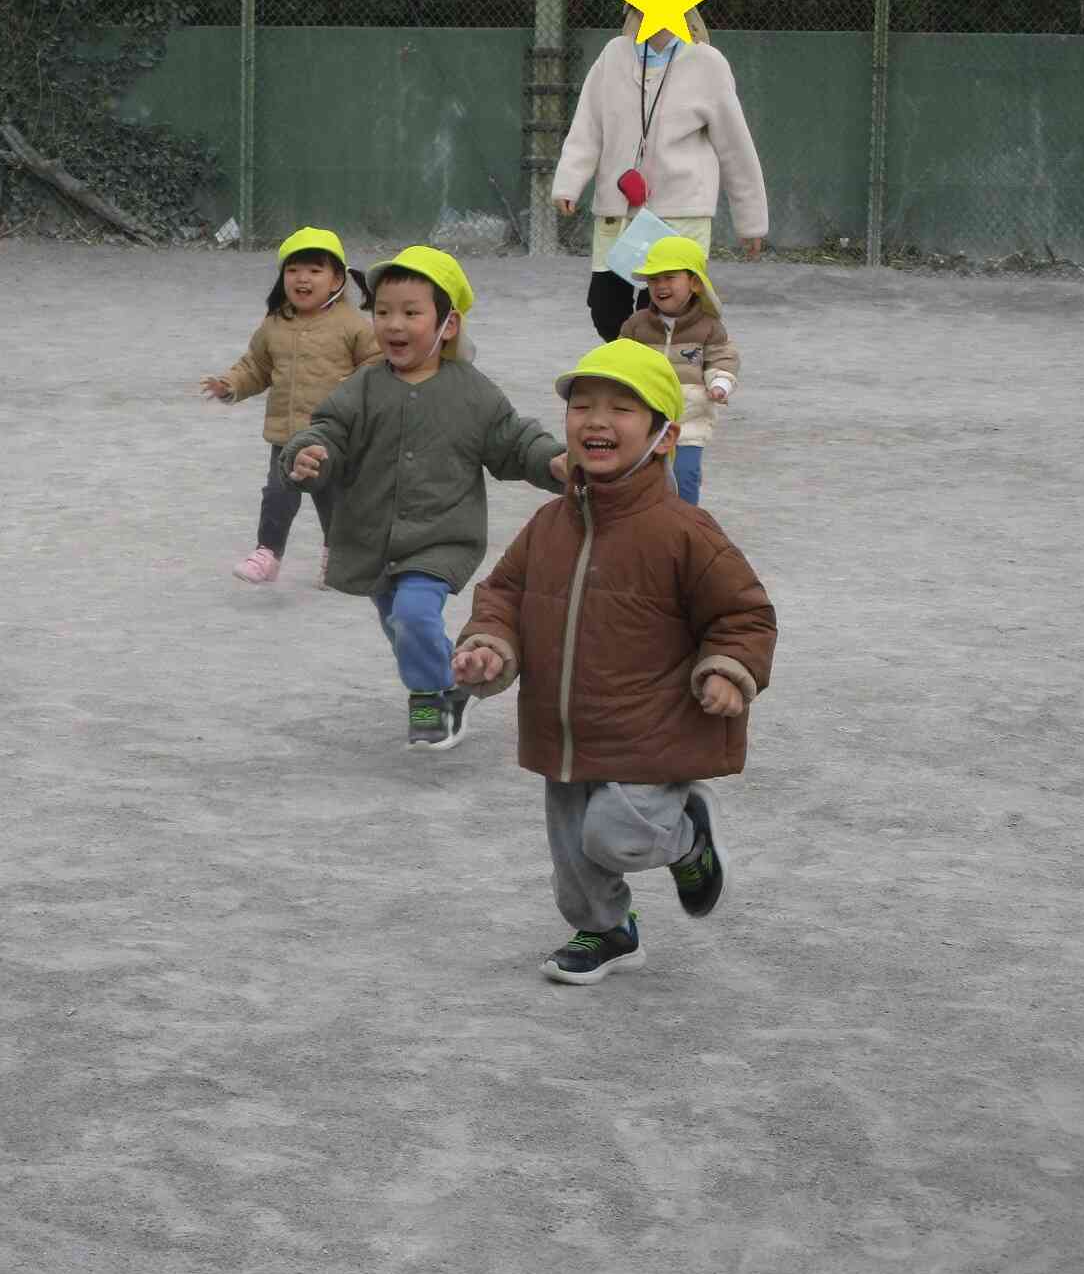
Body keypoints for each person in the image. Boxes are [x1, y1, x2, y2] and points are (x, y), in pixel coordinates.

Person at [450, 342, 776, 985]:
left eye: (623, 408)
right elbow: (504, 595)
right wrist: (490, 643)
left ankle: (687, 836)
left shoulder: (684, 531)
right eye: (582, 406)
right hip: (564, 727)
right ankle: (608, 932)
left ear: (663, 435)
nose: (597, 420)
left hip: (654, 728)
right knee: (573, 859)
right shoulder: (548, 524)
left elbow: (744, 615)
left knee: (616, 837)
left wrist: (728, 668)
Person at [280, 246, 567, 749]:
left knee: (414, 614)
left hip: (441, 537)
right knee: (401, 625)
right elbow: (328, 430)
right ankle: (445, 680)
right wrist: (308, 453)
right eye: (383, 311)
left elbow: (514, 441)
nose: (393, 324)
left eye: (411, 313)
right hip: (374, 536)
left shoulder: (473, 393)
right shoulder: (364, 386)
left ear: (448, 325)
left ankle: (434, 696)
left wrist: (553, 462)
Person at [552, 0, 769, 345]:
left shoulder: (707, 62)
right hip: (619, 211)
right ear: (632, 6)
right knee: (606, 307)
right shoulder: (613, 56)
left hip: (680, 212)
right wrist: (569, 182)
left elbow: (735, 147)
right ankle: (633, 373)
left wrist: (751, 222)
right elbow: (587, 126)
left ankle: (662, 387)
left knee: (666, 309)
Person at [201, 226, 378, 586]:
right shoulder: (275, 324)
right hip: (286, 435)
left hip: (334, 436)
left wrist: (352, 391)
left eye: (315, 270)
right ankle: (267, 553)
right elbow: (256, 366)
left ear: (337, 280)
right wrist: (230, 384)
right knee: (278, 495)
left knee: (334, 499)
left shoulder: (352, 325)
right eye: (293, 270)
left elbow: (375, 364)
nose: (302, 279)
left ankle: (338, 557)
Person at [617, 234, 739, 507]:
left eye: (670, 278)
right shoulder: (636, 326)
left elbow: (722, 357)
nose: (660, 286)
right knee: (639, 477)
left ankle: (685, 525)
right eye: (653, 280)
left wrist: (720, 382)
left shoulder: (709, 326)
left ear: (694, 282)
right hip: (646, 419)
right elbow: (620, 360)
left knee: (685, 475)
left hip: (689, 419)